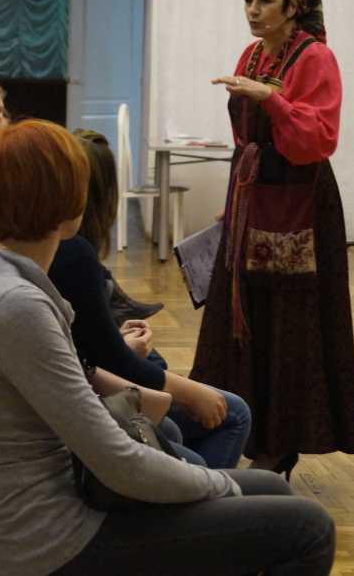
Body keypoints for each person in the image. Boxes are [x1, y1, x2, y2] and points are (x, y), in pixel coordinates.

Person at [0, 120, 335, 576]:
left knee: (272, 490)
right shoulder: (15, 304)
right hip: (53, 541)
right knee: (309, 528)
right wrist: (217, 486)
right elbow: (116, 461)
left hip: (41, 515)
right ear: (74, 206)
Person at [192, 0, 354, 475]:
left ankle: (280, 445)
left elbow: (317, 139)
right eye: (248, 0)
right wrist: (233, 204)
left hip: (298, 204)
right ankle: (230, 428)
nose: (253, 10)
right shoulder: (251, 55)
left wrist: (273, 99)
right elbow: (246, 138)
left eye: (265, 0)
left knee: (288, 323)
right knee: (241, 316)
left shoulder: (315, 58)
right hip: (253, 195)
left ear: (292, 7)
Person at [48, 130, 250, 469]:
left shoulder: (39, 257)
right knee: (233, 414)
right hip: (89, 410)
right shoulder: (72, 255)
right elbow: (100, 363)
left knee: (169, 401)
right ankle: (201, 495)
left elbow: (83, 349)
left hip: (89, 394)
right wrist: (187, 391)